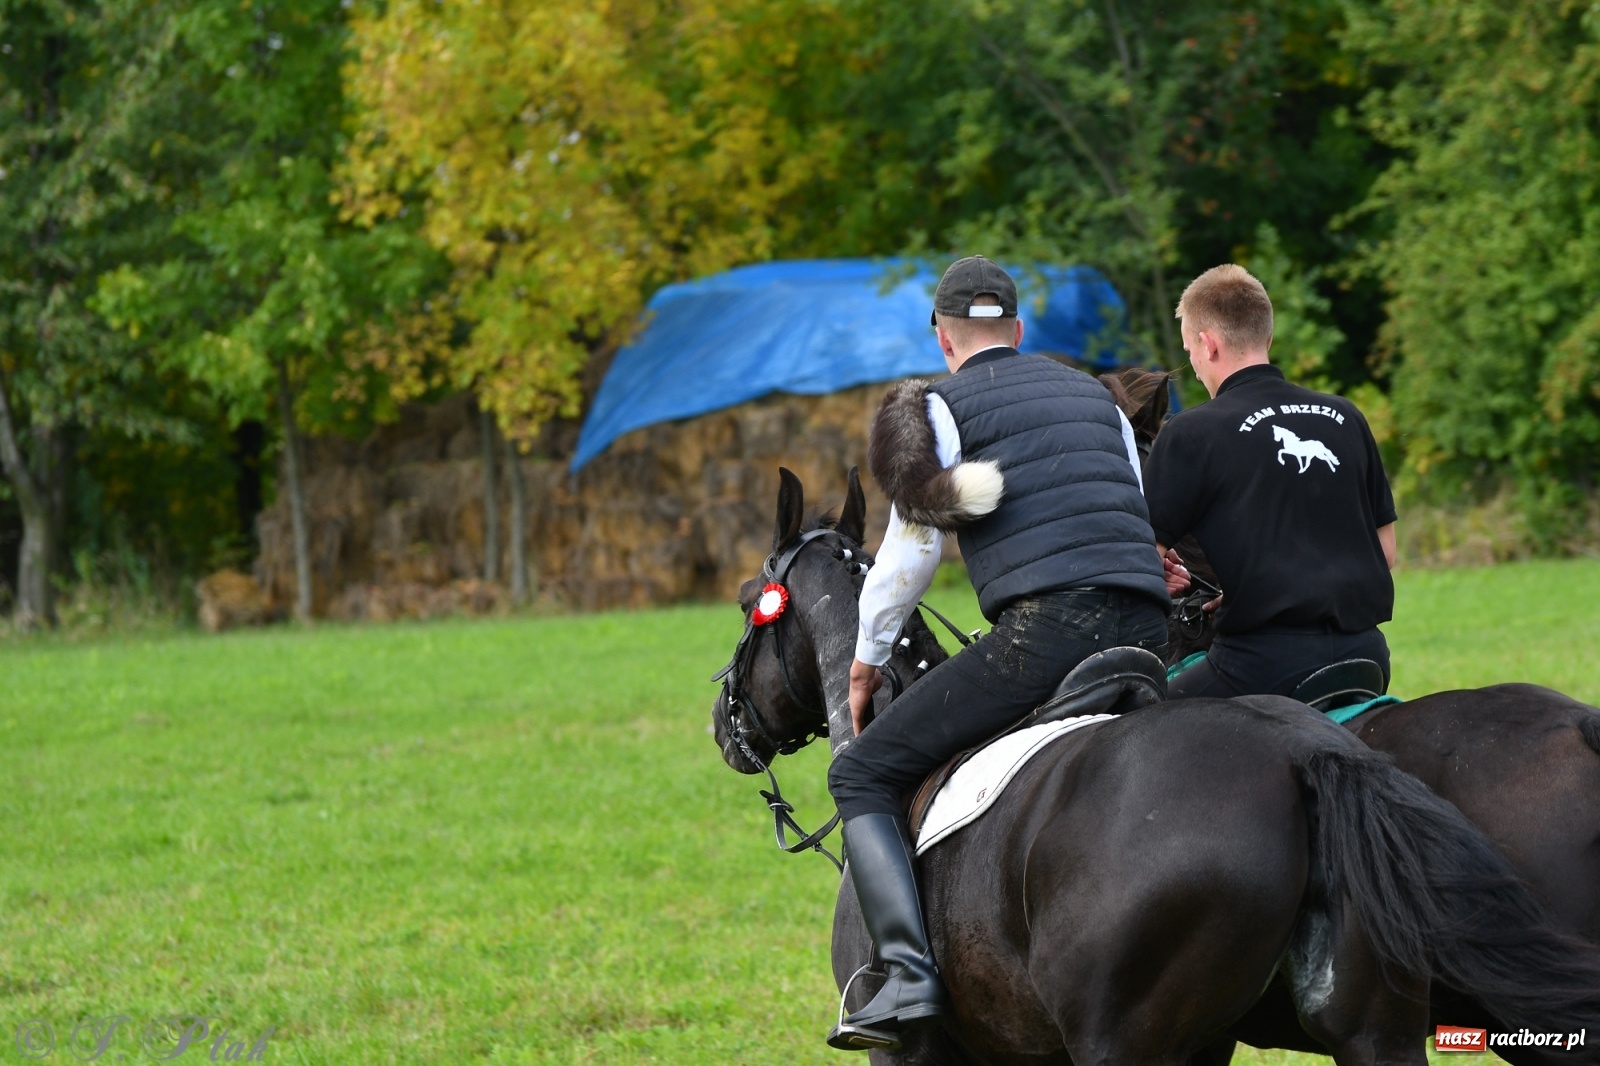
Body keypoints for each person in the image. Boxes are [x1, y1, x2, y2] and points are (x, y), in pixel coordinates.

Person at [824, 255, 1173, 1051]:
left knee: (862, 773)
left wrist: (868, 657)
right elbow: (1136, 511)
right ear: (1016, 331)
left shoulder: (938, 406)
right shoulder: (1101, 398)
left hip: (1048, 632)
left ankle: (904, 977)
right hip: (1147, 631)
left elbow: (910, 555)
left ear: (943, 339)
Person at [1146, 263, 1398, 701]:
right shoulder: (1346, 416)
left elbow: (1141, 562)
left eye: (1190, 351)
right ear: (1268, 337)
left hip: (1261, 666)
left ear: (1208, 344)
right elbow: (1386, 553)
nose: (1195, 366)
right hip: (1366, 657)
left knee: (1137, 719)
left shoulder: (1192, 432)